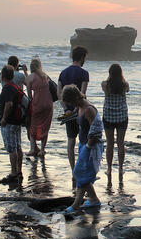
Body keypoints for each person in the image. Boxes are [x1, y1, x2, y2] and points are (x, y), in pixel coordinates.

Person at [62, 85, 103, 214]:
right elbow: (77, 117)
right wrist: (67, 116)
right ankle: (94, 200)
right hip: (83, 144)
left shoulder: (89, 109)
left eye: (69, 102)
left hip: (91, 147)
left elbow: (96, 131)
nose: (69, 104)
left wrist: (88, 147)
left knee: (79, 174)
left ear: (74, 98)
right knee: (83, 175)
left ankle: (76, 205)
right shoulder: (79, 107)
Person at [57, 46, 89, 183]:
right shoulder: (84, 73)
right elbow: (82, 94)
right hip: (80, 112)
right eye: (85, 58)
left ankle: (73, 172)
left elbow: (59, 94)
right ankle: (82, 171)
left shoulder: (63, 73)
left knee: (71, 141)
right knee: (83, 141)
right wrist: (77, 109)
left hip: (68, 113)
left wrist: (66, 109)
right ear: (82, 57)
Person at [101, 64, 129, 178]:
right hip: (121, 116)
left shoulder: (105, 84)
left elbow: (106, 91)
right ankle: (121, 168)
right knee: (121, 143)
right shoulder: (125, 85)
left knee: (110, 143)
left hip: (108, 116)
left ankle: (109, 169)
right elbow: (127, 90)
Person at [0, 65, 24, 185]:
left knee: (11, 149)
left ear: (3, 77)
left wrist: (3, 119)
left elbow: (9, 105)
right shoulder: (15, 86)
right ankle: (19, 171)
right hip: (17, 122)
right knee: (18, 147)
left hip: (9, 123)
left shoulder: (7, 88)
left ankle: (14, 173)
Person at [25, 58, 53, 157]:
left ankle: (33, 149)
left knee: (33, 126)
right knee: (45, 126)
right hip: (48, 103)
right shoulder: (45, 76)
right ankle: (42, 150)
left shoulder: (30, 77)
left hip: (37, 104)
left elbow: (29, 96)